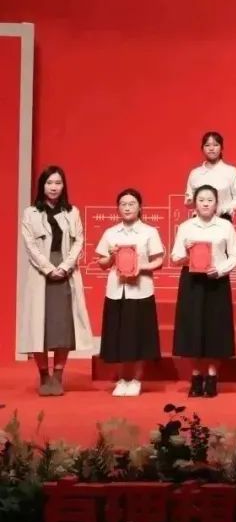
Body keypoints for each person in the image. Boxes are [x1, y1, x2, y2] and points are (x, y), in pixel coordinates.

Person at [18, 166, 94, 396]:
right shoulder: (30, 213)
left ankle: (58, 375)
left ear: (63, 186)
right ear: (42, 185)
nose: (53, 187)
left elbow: (79, 241)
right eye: (49, 182)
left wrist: (65, 266)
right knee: (38, 325)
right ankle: (44, 374)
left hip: (65, 271)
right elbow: (30, 245)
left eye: (58, 183)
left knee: (63, 325)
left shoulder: (72, 212)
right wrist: (49, 268)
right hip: (41, 271)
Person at [171, 184, 236, 398]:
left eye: (210, 200)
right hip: (191, 282)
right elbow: (175, 257)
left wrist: (219, 270)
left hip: (216, 282)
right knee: (192, 328)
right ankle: (195, 376)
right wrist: (187, 254)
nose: (205, 204)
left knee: (215, 329)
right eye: (201, 200)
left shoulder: (225, 226)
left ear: (216, 204)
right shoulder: (186, 227)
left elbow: (235, 255)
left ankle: (211, 376)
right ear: (195, 203)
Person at [94, 189, 164, 396]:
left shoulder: (149, 232)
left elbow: (159, 260)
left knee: (138, 336)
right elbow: (102, 264)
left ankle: (136, 379)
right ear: (118, 208)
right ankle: (122, 379)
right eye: (123, 204)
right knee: (117, 336)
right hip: (116, 291)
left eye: (131, 204)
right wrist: (111, 256)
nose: (127, 208)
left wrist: (140, 267)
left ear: (140, 207)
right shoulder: (110, 233)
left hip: (140, 290)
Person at [183, 132, 236, 220]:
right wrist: (190, 201)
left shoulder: (231, 171)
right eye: (207, 145)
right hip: (198, 221)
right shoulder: (195, 173)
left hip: (223, 219)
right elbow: (188, 202)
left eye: (215, 145)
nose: (211, 148)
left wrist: (223, 210)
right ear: (202, 148)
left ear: (221, 148)